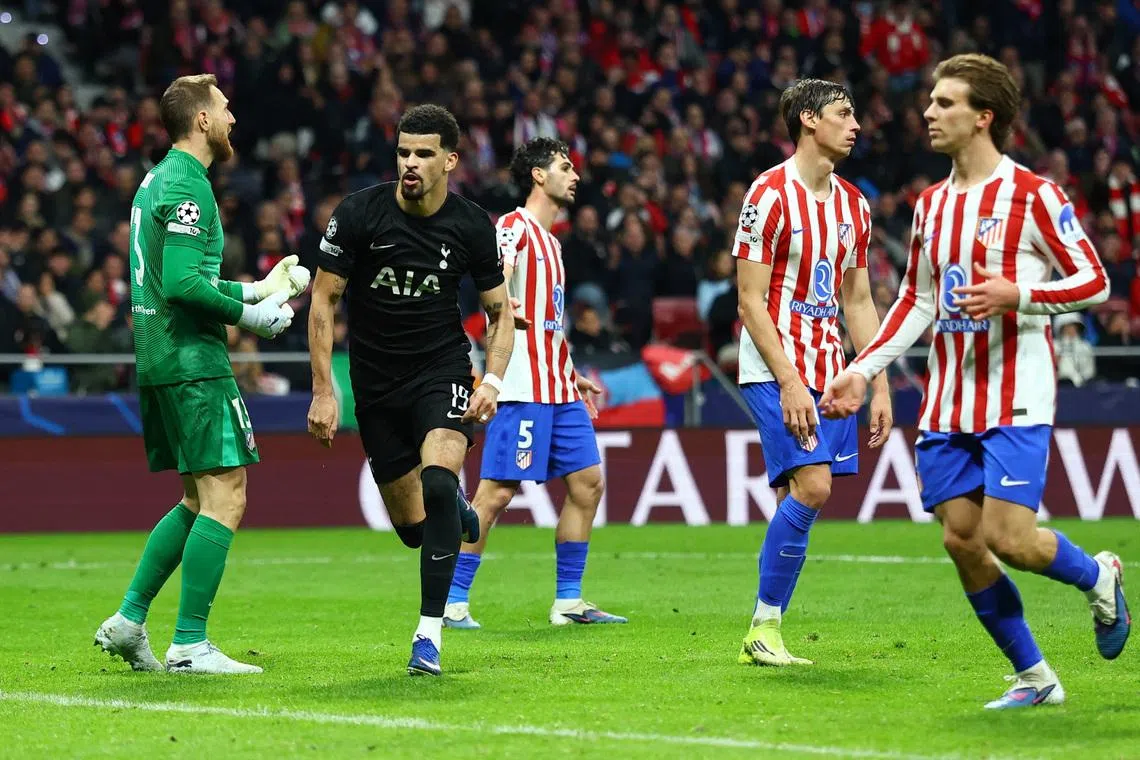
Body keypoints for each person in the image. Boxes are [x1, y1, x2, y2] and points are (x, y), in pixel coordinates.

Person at [820, 54, 1129, 709]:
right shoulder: (931, 205)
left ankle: (1098, 576)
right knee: (961, 539)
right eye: (931, 101)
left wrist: (1020, 294)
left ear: (983, 116)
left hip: (1016, 395)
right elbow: (917, 300)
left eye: (945, 103)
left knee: (1009, 539)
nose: (928, 112)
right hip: (947, 401)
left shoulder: (1034, 195)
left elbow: (1095, 280)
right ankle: (1035, 678)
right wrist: (861, 368)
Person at [95, 74, 309, 675]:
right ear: (203, 120)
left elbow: (182, 276)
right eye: (225, 107)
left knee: (196, 497)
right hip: (193, 362)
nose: (233, 117)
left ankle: (129, 620)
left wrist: (255, 289)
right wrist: (251, 317)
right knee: (227, 494)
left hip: (161, 357)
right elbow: (184, 285)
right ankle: (190, 644)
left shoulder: (157, 180)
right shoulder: (190, 182)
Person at [306, 104, 515, 677]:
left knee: (440, 481)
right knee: (414, 530)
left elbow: (500, 313)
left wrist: (493, 380)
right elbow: (323, 299)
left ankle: (428, 635)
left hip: (441, 370)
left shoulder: (471, 225)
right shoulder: (359, 214)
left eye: (424, 154)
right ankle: (455, 512)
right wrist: (324, 390)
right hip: (374, 385)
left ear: (450, 161)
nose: (410, 163)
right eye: (403, 152)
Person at [732, 79, 893, 667]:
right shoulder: (768, 194)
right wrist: (789, 380)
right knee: (815, 486)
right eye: (843, 114)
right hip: (776, 368)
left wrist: (876, 380)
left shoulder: (855, 204)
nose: (856, 125)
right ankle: (763, 627)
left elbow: (858, 300)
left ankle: (766, 634)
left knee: (794, 496)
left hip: (832, 371)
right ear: (807, 119)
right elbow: (749, 301)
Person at [442, 138, 627, 630]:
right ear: (539, 176)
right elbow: (495, 282)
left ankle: (568, 602)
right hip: (521, 386)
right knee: (497, 494)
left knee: (588, 484)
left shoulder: (553, 244)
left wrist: (571, 373)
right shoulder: (514, 227)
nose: (575, 175)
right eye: (565, 167)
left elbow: (550, 326)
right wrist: (503, 302)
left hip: (559, 387)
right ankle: (452, 602)